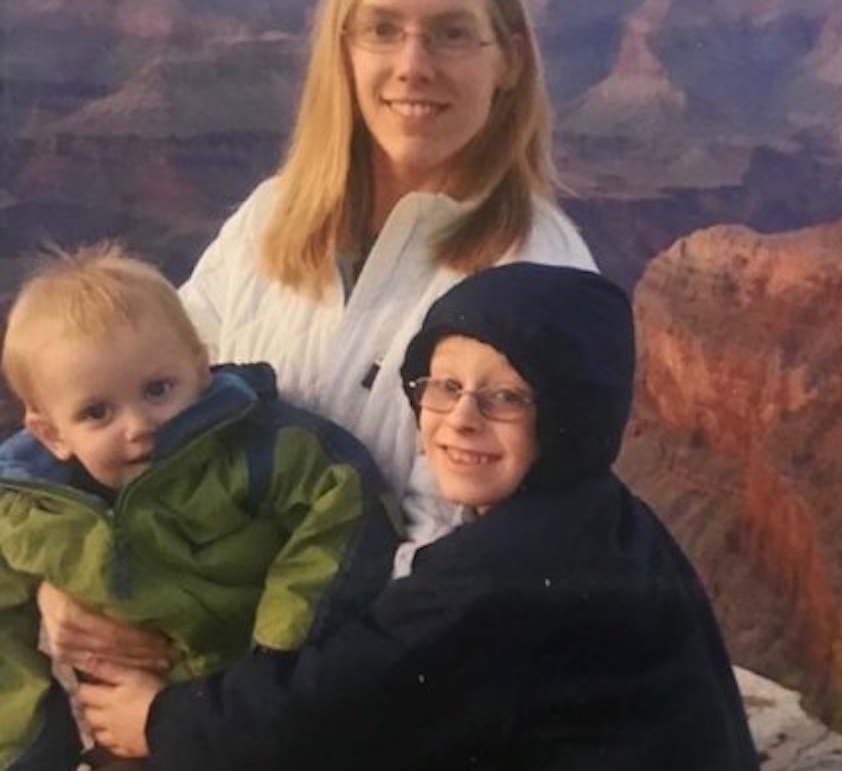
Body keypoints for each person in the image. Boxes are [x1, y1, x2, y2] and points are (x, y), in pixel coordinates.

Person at [37, 0, 596, 669]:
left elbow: (464, 572)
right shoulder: (271, 219)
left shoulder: (538, 276)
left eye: (452, 32)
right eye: (382, 30)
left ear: (510, 61)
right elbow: (131, 398)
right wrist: (70, 569)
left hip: (370, 709)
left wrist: (214, 713)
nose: (413, 64)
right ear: (342, 51)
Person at [79, 263, 759, 770]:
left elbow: (334, 701)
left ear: (571, 416)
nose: (460, 419)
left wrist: (161, 720)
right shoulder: (601, 515)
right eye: (444, 385)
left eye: (506, 398)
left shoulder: (506, 572)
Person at [0, 245, 398, 771]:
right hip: (122, 726)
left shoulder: (255, 450)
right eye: (98, 412)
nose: (138, 424)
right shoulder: (29, 512)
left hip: (247, 708)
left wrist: (276, 653)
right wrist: (27, 751)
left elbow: (341, 501)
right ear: (51, 434)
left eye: (158, 390)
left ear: (200, 366)